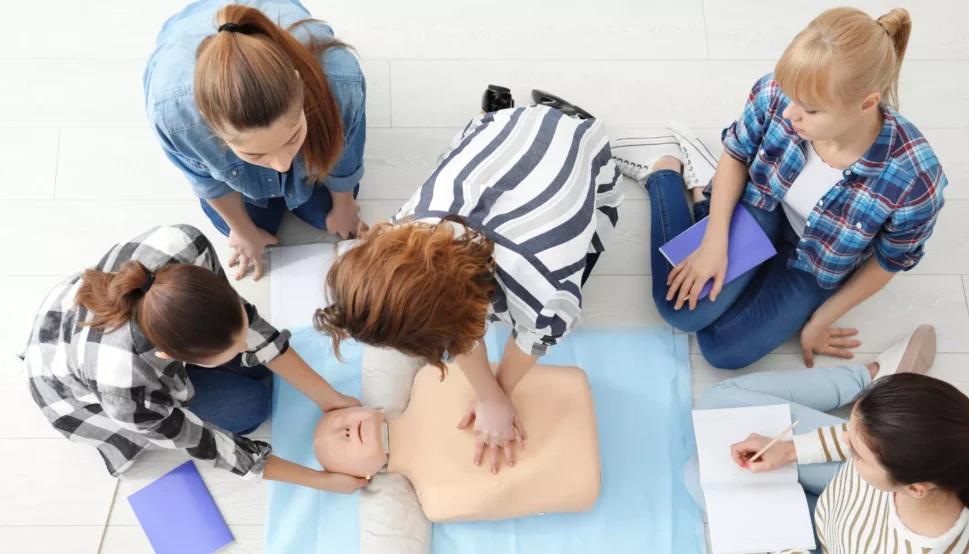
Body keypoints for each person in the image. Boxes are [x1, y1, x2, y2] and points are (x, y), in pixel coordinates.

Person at [611, 8, 947, 369]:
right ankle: (664, 170)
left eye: (811, 111)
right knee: (679, 310)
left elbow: (889, 260)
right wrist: (714, 241)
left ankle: (703, 201)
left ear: (866, 104)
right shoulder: (775, 92)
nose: (790, 115)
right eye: (790, 97)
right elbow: (737, 154)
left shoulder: (914, 178)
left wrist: (820, 319)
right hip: (764, 206)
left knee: (723, 351)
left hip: (818, 260)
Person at [314, 97, 623, 474]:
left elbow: (534, 337)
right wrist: (489, 395)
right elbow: (455, 327)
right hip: (504, 133)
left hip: (574, 151)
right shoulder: (405, 229)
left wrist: (500, 395)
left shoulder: (544, 291)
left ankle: (569, 116)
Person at [684, 325, 969, 554]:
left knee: (697, 474)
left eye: (857, 449)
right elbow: (848, 440)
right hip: (846, 492)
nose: (844, 438)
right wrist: (789, 450)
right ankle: (869, 379)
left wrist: (774, 543)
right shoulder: (928, 466)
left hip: (827, 551)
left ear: (915, 487)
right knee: (717, 402)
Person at [23, 225, 368, 494]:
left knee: (259, 368)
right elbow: (208, 445)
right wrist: (321, 481)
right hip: (71, 378)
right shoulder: (127, 392)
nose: (245, 345)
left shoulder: (184, 246)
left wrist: (331, 398)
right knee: (249, 407)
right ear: (169, 356)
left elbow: (249, 329)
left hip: (123, 320)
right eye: (230, 350)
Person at [144, 0, 366, 281]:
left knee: (327, 215)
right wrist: (243, 231)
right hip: (188, 51)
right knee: (249, 228)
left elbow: (347, 152)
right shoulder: (177, 116)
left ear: (300, 86)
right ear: (209, 123)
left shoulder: (340, 81)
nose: (283, 164)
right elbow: (204, 179)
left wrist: (344, 205)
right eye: (256, 154)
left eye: (293, 136)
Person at [313, 362, 601, 522]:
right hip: (577, 475)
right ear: (361, 478)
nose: (344, 432)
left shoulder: (430, 377)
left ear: (360, 406)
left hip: (564, 394)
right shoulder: (437, 502)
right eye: (338, 447)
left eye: (340, 420)